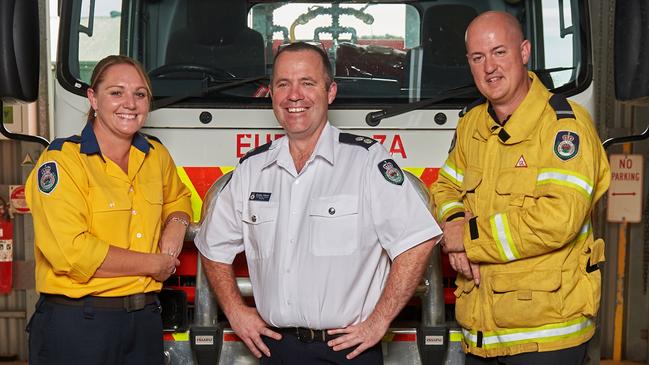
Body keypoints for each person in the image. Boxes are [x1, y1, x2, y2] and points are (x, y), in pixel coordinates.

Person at [195, 42, 442, 364]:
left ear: (331, 92)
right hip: (275, 348)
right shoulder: (252, 169)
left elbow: (416, 241)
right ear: (271, 93)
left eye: (307, 83)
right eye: (283, 84)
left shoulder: (366, 162)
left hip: (348, 350)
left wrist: (379, 320)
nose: (294, 95)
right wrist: (235, 310)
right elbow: (213, 246)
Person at [431, 11, 611, 364]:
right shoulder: (472, 125)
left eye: (500, 52)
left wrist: (465, 239)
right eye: (478, 57)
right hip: (480, 333)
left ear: (524, 52)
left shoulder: (564, 129)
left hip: (545, 337)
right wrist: (454, 223)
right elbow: (445, 186)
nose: (489, 68)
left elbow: (556, 220)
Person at [25, 55, 192, 365]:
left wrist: (177, 222)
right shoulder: (62, 162)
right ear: (93, 98)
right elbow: (72, 253)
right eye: (116, 92)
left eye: (140, 94)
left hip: (143, 322)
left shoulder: (156, 155)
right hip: (80, 324)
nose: (130, 103)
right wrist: (153, 264)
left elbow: (178, 198)